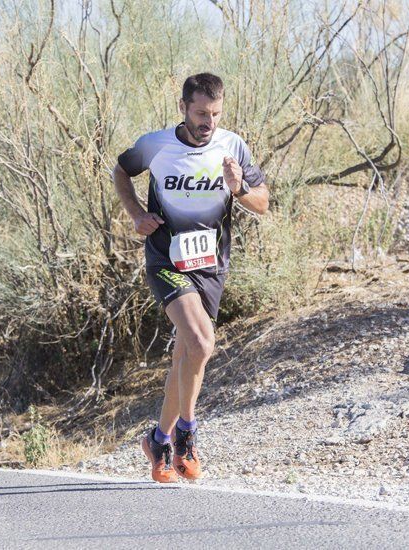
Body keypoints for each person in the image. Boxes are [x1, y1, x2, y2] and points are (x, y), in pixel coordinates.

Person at [113, 73, 269, 482]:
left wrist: (238, 190)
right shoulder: (156, 145)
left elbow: (263, 202)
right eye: (200, 113)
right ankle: (186, 431)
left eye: (215, 113)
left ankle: (157, 439)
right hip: (167, 260)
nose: (208, 122)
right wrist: (135, 215)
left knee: (186, 356)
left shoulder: (232, 145)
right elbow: (121, 170)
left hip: (211, 268)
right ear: (183, 108)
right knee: (201, 341)